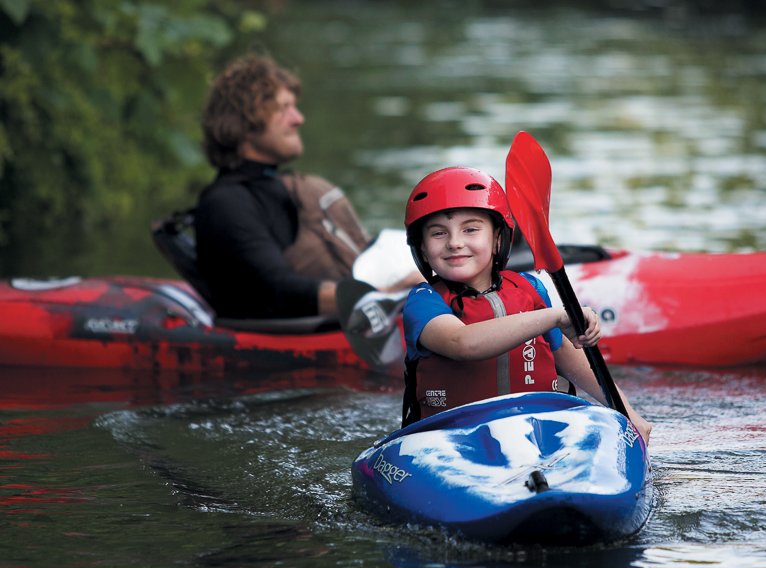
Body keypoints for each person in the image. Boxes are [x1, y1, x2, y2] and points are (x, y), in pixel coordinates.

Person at [194, 53, 420, 365]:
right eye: (284, 108)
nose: (298, 118)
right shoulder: (225, 204)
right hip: (292, 345)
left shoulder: (290, 188)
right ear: (245, 119)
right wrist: (384, 293)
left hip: (354, 309)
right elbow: (277, 289)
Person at [399, 166, 652, 444]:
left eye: (470, 229)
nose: (455, 243)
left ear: (497, 239)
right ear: (422, 248)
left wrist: (628, 414)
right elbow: (463, 343)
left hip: (540, 431)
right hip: (453, 440)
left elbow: (572, 361)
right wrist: (555, 317)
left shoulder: (529, 288)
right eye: (438, 234)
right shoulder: (423, 302)